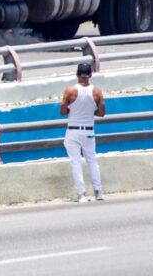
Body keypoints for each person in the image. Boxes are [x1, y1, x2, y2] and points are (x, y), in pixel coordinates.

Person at [60, 62, 106, 202]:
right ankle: (98, 191)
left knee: (75, 162)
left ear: (77, 75)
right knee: (92, 160)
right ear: (90, 75)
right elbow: (101, 113)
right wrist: (90, 111)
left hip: (73, 130)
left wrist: (72, 110)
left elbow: (62, 111)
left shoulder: (70, 91)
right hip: (89, 130)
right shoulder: (97, 92)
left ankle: (81, 194)